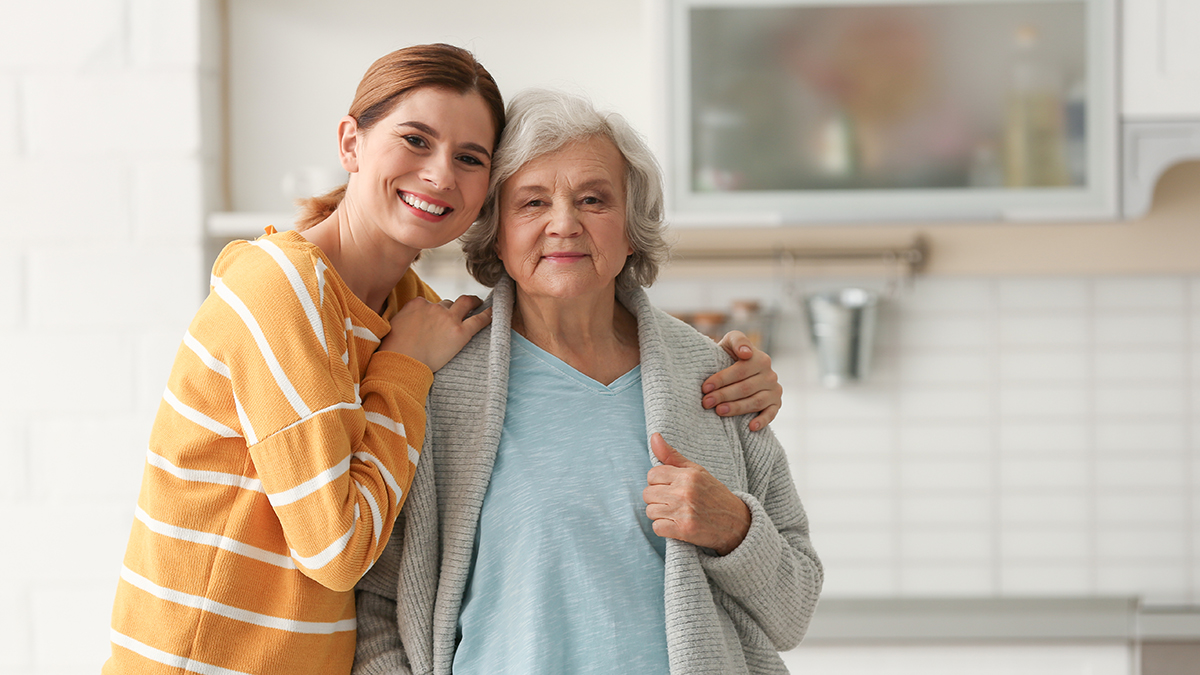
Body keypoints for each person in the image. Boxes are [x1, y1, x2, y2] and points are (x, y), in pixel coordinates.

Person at [105, 45, 784, 675]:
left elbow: (790, 602)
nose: (438, 173)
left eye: (468, 156)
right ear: (350, 142)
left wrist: (730, 380)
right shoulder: (290, 294)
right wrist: (405, 366)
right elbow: (346, 557)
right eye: (415, 140)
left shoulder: (413, 312)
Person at [353, 89, 821, 675]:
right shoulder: (437, 380)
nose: (564, 225)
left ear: (631, 228)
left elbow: (794, 610)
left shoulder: (714, 380)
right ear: (495, 230)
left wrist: (735, 528)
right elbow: (376, 606)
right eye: (532, 203)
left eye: (594, 200)